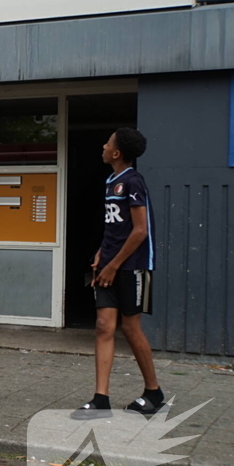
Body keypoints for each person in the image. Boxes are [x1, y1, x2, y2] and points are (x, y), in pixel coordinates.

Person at [74, 127, 162, 418]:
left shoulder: (133, 181)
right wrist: (102, 252)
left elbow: (139, 231)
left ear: (116, 152)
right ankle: (101, 399)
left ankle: (153, 392)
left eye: (107, 142)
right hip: (108, 265)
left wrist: (113, 265)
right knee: (103, 327)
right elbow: (115, 226)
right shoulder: (111, 181)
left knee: (130, 328)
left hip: (131, 267)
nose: (103, 145)